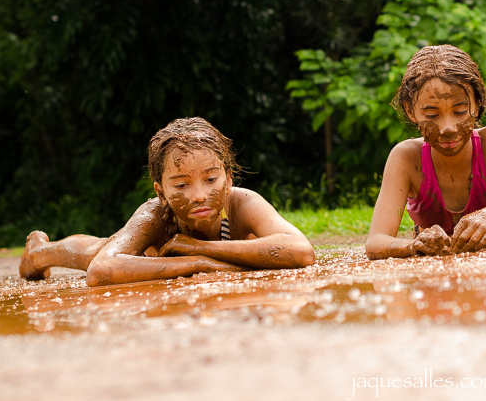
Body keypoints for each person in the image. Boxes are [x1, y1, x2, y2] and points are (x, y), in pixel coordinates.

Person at [18, 117, 315, 286]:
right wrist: (198, 263)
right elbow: (101, 270)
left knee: (104, 248)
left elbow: (301, 251)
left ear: (229, 178)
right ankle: (39, 253)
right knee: (97, 250)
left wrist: (198, 247)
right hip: (149, 254)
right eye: (182, 184)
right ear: (160, 191)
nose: (199, 195)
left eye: (211, 180)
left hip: (195, 249)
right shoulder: (156, 214)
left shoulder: (242, 203)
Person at [366, 45, 486, 260]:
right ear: (410, 110)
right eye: (431, 115)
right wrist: (413, 246)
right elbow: (375, 242)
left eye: (459, 112)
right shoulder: (406, 157)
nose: (448, 127)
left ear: (476, 105)